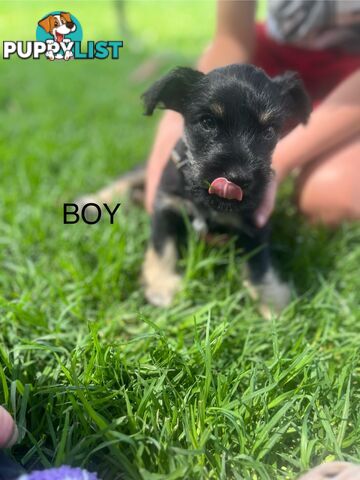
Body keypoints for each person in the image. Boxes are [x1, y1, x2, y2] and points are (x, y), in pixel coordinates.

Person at [144, 0, 360, 227]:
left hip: (351, 79)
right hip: (266, 55)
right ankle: (126, 185)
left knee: (330, 197)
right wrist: (177, 120)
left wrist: (281, 161)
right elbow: (231, 39)